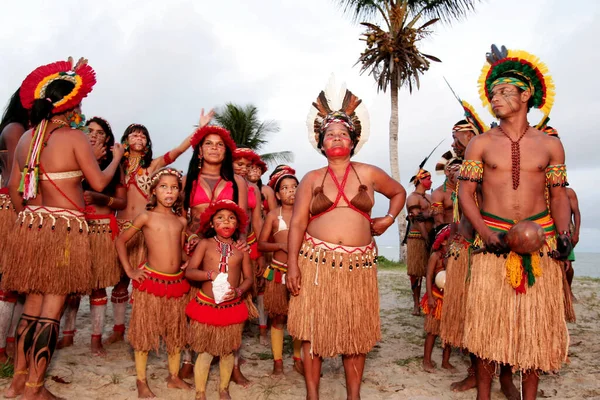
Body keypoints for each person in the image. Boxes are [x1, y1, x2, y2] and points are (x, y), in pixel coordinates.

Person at [1, 57, 124, 399]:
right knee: (51, 313)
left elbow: (13, 189)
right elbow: (98, 182)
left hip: (30, 227)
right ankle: (35, 389)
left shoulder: (27, 137)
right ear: (72, 106)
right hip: (62, 231)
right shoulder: (73, 137)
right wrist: (116, 157)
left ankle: (16, 383)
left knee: (31, 308)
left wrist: (31, 218)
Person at [459, 46, 571, 400]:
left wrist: (565, 236)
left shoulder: (551, 146)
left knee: (535, 325)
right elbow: (465, 195)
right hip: (492, 239)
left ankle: (529, 395)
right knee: (486, 326)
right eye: (492, 93)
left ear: (526, 96)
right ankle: (484, 394)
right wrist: (484, 231)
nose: (496, 98)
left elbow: (559, 195)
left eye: (505, 91)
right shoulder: (479, 144)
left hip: (542, 241)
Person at [287, 80, 406, 400]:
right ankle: (313, 394)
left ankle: (353, 396)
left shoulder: (368, 172)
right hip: (315, 264)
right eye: (329, 134)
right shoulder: (311, 178)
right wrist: (292, 267)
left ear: (353, 141)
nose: (336, 137)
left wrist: (388, 218)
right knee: (313, 329)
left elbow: (398, 192)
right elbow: (297, 223)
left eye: (342, 134)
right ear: (321, 143)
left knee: (355, 332)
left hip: (357, 266)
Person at [107, 111, 212, 346]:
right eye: (133, 133)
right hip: (124, 227)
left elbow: (178, 150)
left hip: (149, 230)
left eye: (143, 135)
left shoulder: (153, 166)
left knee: (149, 282)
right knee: (121, 280)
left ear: (147, 143)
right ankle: (117, 329)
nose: (138, 137)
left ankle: (152, 327)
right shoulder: (116, 166)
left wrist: (199, 129)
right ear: (125, 140)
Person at [115, 167, 191, 398]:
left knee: (175, 331)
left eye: (174, 187)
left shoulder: (181, 221)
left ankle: (174, 376)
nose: (169, 191)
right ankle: (141, 380)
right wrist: (129, 270)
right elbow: (120, 241)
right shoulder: (146, 216)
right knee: (145, 332)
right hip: (152, 281)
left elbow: (179, 250)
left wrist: (187, 261)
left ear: (179, 192)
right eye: (164, 187)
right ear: (154, 191)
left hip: (176, 282)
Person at [179, 124, 247, 380]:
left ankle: (235, 365)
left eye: (220, 144)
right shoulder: (189, 181)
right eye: (209, 143)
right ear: (199, 150)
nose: (215, 148)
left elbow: (243, 219)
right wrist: (185, 243)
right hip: (193, 248)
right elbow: (180, 216)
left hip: (229, 250)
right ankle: (189, 357)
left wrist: (240, 244)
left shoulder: (237, 182)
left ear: (226, 151)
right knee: (191, 305)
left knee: (233, 303)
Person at [57, 116, 127, 355]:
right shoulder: (74, 155)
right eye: (90, 130)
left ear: (107, 138)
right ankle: (68, 334)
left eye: (100, 132)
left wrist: (101, 199)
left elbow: (121, 201)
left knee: (98, 286)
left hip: (101, 229)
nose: (94, 134)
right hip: (76, 227)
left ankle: (96, 339)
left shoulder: (115, 164)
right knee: (72, 284)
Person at [185, 199, 254, 400]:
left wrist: (239, 291)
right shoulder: (205, 244)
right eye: (220, 218)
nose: (226, 222)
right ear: (212, 224)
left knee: (228, 351)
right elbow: (190, 271)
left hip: (231, 306)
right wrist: (209, 275)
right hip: (207, 305)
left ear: (237, 225)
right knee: (205, 352)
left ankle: (224, 389)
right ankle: (200, 392)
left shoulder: (242, 249)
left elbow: (249, 278)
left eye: (231, 218)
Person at [258, 168, 303, 376]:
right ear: (277, 194)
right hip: (277, 272)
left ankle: (297, 359)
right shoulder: (273, 216)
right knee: (278, 317)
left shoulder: (306, 214)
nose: (290, 191)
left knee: (298, 318)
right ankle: (277, 361)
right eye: (285, 188)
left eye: (295, 187)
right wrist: (280, 246)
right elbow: (262, 244)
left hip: (301, 272)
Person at [0, 88, 29, 363]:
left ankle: (11, 342)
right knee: (9, 283)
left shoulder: (16, 127)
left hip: (13, 203)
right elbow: (13, 180)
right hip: (12, 205)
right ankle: (3, 349)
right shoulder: (16, 129)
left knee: (17, 284)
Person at [232, 148, 266, 346]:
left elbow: (258, 222)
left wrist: (260, 252)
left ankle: (238, 338)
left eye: (247, 165)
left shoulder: (254, 189)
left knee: (248, 288)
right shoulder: (225, 184)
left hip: (250, 241)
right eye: (239, 164)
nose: (243, 169)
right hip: (226, 242)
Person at [420, 226, 455, 373]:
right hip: (437, 297)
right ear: (443, 241)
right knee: (432, 331)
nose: (453, 241)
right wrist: (430, 297)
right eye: (450, 239)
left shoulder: (454, 256)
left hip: (450, 299)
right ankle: (426, 360)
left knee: (448, 332)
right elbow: (428, 276)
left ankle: (445, 362)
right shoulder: (435, 256)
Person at [405, 165, 434, 316]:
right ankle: (416, 304)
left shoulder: (430, 197)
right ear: (420, 180)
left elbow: (435, 213)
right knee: (416, 272)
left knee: (432, 270)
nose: (431, 181)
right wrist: (425, 236)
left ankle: (431, 301)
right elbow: (417, 219)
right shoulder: (412, 198)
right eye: (428, 179)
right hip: (417, 238)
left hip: (431, 236)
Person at [431, 151, 461, 227]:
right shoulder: (438, 193)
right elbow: (439, 222)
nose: (459, 174)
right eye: (456, 170)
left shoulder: (468, 190)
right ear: (447, 172)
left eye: (461, 171)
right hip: (449, 234)